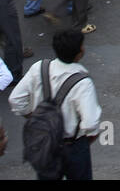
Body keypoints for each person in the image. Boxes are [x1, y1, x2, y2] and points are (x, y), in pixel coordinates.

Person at [8, 29, 103, 180]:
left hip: (45, 142)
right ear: (79, 53)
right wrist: (83, 142)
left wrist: (34, 118)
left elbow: (15, 99)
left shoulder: (39, 68)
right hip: (73, 145)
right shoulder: (83, 83)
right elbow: (91, 124)